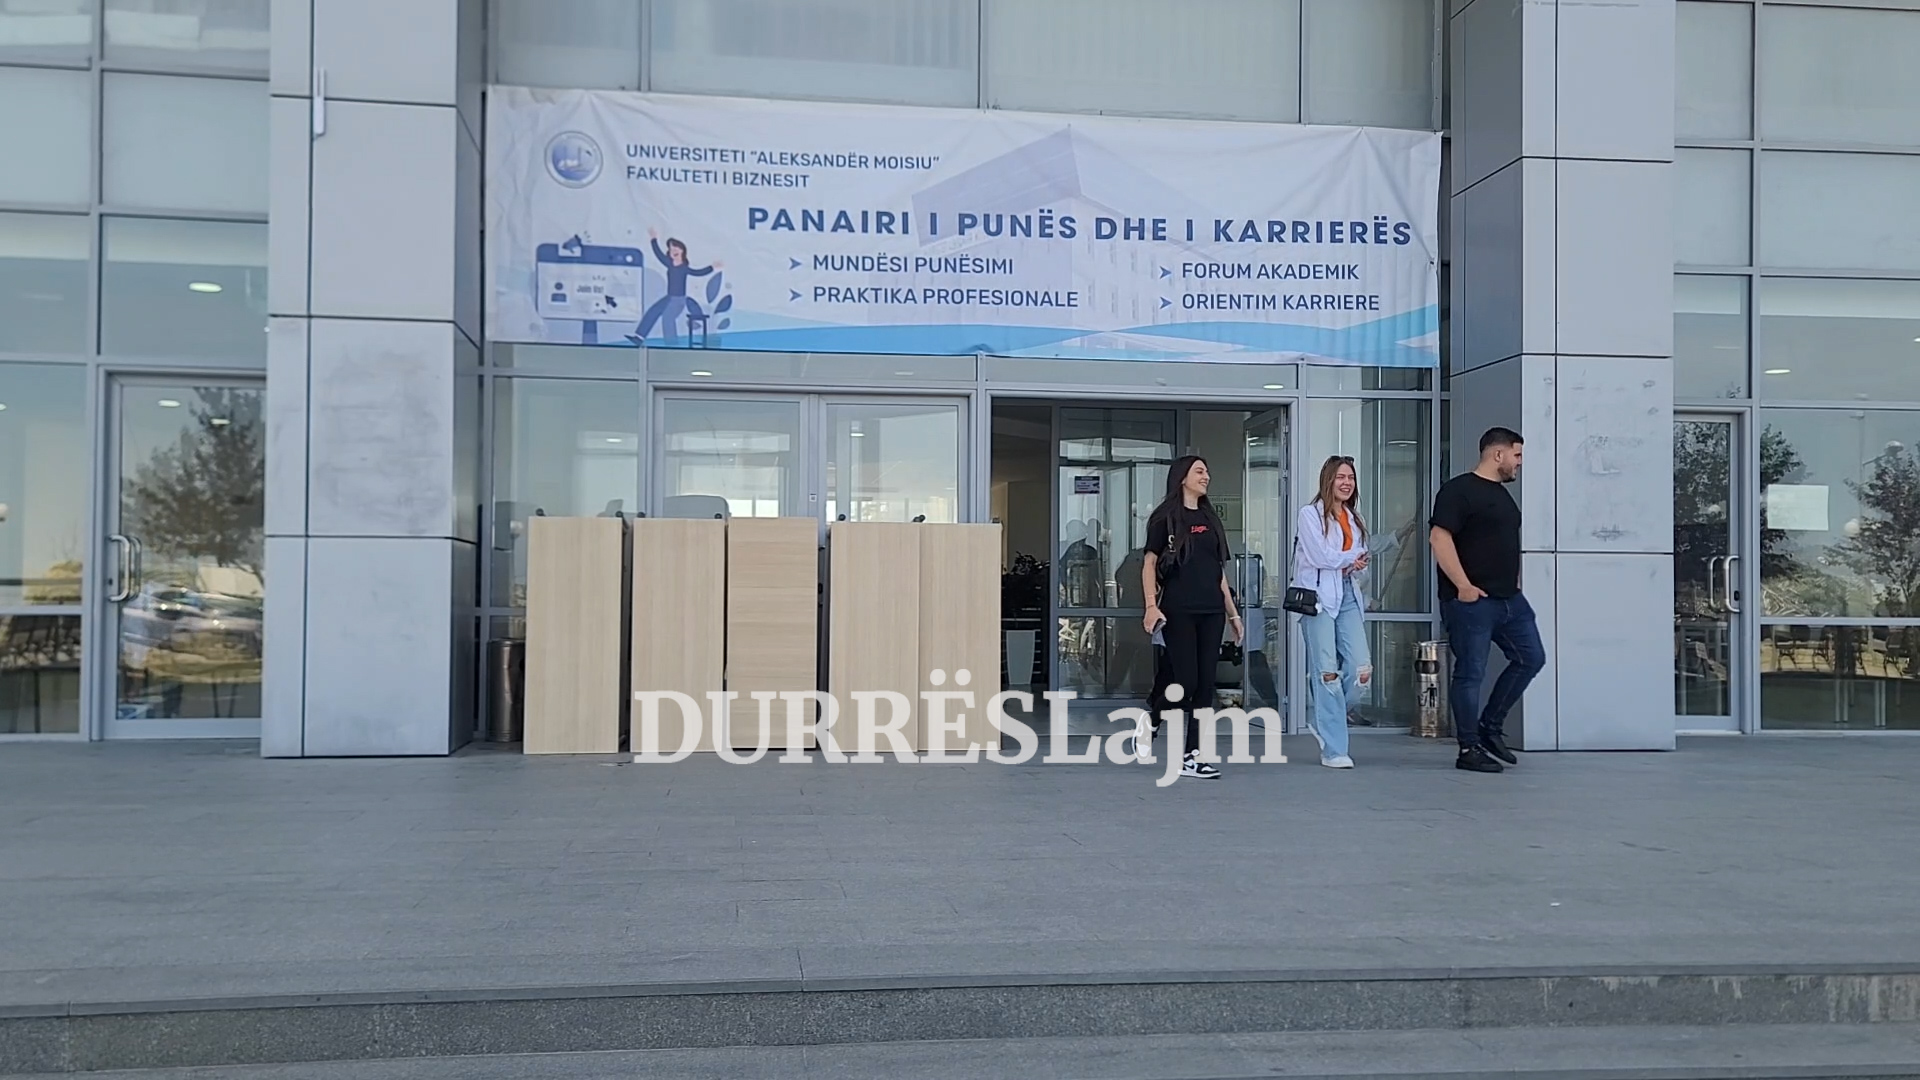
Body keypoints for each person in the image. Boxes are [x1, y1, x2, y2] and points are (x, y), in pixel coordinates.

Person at [1430, 427, 1546, 774]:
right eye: (1517, 455)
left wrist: (1515, 581)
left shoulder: (1503, 496)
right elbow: (1439, 538)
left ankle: (1489, 727)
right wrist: (1463, 586)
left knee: (1531, 658)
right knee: (1471, 673)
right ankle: (1468, 748)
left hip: (1510, 601)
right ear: (1498, 454)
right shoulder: (1458, 490)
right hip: (1472, 602)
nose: (1519, 462)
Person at [1141, 456, 1244, 779]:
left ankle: (1192, 757)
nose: (1206, 476)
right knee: (1186, 682)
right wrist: (1150, 606)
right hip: (1178, 611)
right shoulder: (1165, 518)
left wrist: (1233, 614)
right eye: (1199, 471)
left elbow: (1218, 573)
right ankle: (1153, 718)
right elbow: (1149, 563)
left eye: (1207, 471)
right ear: (1182, 477)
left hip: (1212, 612)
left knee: (1204, 687)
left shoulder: (1210, 519)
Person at [1292, 456, 1372, 769]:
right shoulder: (1309, 514)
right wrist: (1352, 557)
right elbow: (1320, 556)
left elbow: (1356, 563)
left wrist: (1357, 564)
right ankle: (1334, 749)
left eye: (1350, 478)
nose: (1346, 483)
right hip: (1319, 599)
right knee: (1327, 672)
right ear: (1328, 480)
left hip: (1348, 594)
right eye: (1340, 477)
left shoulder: (1354, 518)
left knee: (1361, 670)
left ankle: (1325, 716)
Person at [627, 230, 719, 345]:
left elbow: (697, 272)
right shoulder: (670, 264)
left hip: (678, 300)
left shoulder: (684, 268)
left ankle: (672, 344)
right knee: (653, 311)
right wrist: (653, 239)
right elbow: (658, 254)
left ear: (682, 250)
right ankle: (639, 337)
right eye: (671, 249)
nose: (673, 251)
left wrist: (712, 268)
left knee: (667, 319)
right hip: (669, 297)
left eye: (676, 248)